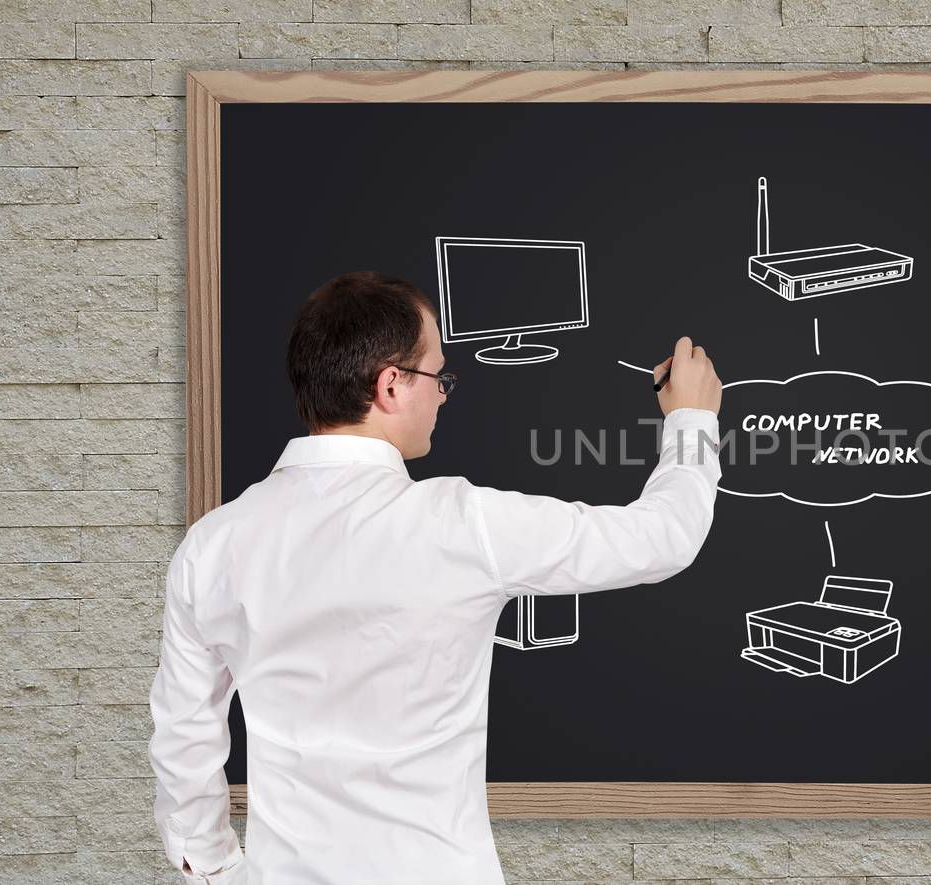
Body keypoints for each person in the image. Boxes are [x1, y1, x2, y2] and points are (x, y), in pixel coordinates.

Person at [147, 271, 722, 884]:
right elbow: (663, 539)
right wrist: (691, 419)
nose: (444, 395)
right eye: (437, 377)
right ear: (391, 385)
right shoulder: (463, 525)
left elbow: (185, 734)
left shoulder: (214, 545)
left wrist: (211, 869)